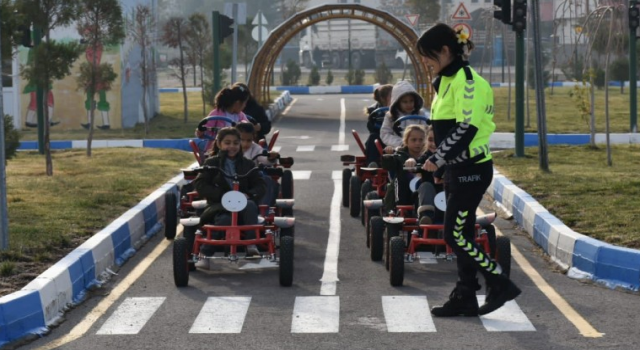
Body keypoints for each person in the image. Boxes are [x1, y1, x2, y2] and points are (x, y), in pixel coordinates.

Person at [416, 23, 520, 317]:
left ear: (445, 51)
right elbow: (444, 128)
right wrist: (439, 163)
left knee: (455, 236)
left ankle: (498, 282)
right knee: (461, 234)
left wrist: (439, 159)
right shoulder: (445, 81)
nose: (425, 61)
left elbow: (467, 127)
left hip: (472, 169)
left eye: (428, 55)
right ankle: (465, 294)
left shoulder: (468, 82)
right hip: (457, 169)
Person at [193, 127, 266, 257]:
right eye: (227, 143)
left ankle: (251, 244)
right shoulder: (212, 162)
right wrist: (221, 195)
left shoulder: (248, 164)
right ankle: (205, 252)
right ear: (219, 144)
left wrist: (248, 194)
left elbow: (260, 185)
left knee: (250, 205)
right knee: (225, 220)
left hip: (243, 203)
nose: (232, 146)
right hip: (219, 205)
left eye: (236, 143)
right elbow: (200, 184)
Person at [381, 125, 439, 225]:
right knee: (422, 185)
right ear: (406, 141)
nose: (418, 143)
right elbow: (389, 165)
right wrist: (389, 156)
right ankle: (403, 208)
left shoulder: (433, 155)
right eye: (414, 140)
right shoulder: (401, 155)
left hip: (435, 195)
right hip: (406, 193)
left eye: (421, 140)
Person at [195, 85, 251, 156]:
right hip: (216, 149)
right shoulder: (216, 114)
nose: (245, 106)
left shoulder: (240, 115)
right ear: (237, 103)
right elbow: (204, 129)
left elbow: (247, 127)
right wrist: (201, 132)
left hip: (235, 149)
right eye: (244, 103)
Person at [380, 80, 430, 154]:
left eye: (411, 101)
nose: (409, 104)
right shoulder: (391, 116)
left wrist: (420, 142)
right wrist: (402, 143)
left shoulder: (420, 114)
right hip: (399, 148)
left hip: (418, 147)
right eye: (405, 102)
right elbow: (385, 134)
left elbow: (427, 131)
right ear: (397, 102)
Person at [236, 122, 279, 206]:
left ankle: (263, 208)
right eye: (242, 140)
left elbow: (264, 158)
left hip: (252, 179)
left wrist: (270, 157)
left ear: (253, 137)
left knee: (266, 180)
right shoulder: (231, 147)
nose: (245, 144)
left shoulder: (255, 148)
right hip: (232, 178)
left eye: (249, 140)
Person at [364, 84, 393, 166]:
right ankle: (372, 163)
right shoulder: (375, 111)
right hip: (380, 139)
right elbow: (370, 127)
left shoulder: (400, 108)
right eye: (392, 96)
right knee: (373, 137)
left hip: (396, 138)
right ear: (383, 98)